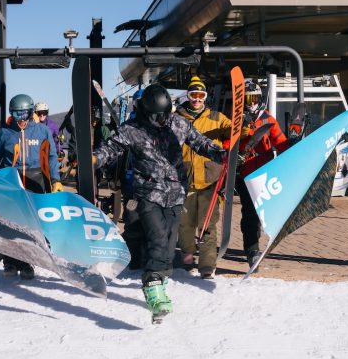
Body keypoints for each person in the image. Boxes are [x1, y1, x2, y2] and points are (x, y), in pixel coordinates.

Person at [93, 83, 225, 321]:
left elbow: (201, 143)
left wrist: (222, 154)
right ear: (146, 111)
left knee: (169, 241)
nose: (161, 119)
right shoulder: (133, 129)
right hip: (148, 193)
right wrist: (94, 159)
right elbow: (111, 147)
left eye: (165, 113)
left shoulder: (178, 123)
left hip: (175, 193)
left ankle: (160, 280)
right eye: (156, 115)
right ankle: (152, 284)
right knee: (157, 236)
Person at [0, 93, 62, 279]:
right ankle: (10, 262)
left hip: (35, 180)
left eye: (24, 115)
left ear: (30, 113)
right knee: (10, 223)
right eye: (16, 115)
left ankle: (27, 263)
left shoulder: (41, 131)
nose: (21, 120)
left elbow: (51, 156)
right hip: (12, 180)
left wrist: (55, 179)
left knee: (31, 226)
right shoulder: (5, 132)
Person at [175, 75, 232, 279]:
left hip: (210, 180)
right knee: (185, 224)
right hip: (186, 179)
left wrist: (244, 126)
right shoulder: (178, 118)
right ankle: (187, 256)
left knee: (208, 224)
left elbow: (235, 133)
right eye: (193, 94)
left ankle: (207, 265)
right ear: (188, 96)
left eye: (200, 95)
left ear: (205, 97)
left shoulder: (217, 117)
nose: (197, 99)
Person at [236, 79, 289, 271]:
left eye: (254, 98)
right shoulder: (236, 120)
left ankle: (256, 245)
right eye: (248, 98)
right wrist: (239, 142)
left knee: (262, 212)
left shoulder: (268, 119)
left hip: (266, 172)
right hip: (246, 173)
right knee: (250, 213)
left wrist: (293, 148)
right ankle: (252, 250)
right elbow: (226, 143)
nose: (251, 103)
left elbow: (280, 142)